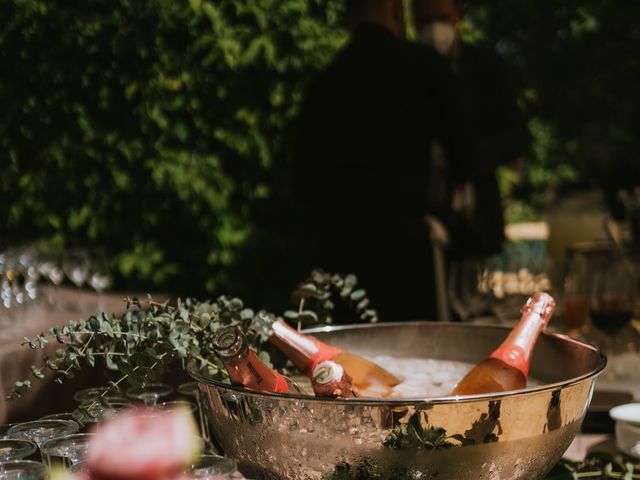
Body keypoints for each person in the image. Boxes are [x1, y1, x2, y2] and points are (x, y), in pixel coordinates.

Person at [290, 0, 473, 321]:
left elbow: (303, 186)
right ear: (396, 9)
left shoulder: (323, 85)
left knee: (349, 362)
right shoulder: (426, 68)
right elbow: (466, 156)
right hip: (410, 255)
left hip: (341, 258)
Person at [413, 0, 533, 259]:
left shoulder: (484, 66)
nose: (435, 29)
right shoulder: (402, 70)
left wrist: (472, 156)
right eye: (425, 21)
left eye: (442, 19)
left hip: (476, 223)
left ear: (457, 15)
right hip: (418, 223)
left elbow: (518, 136)